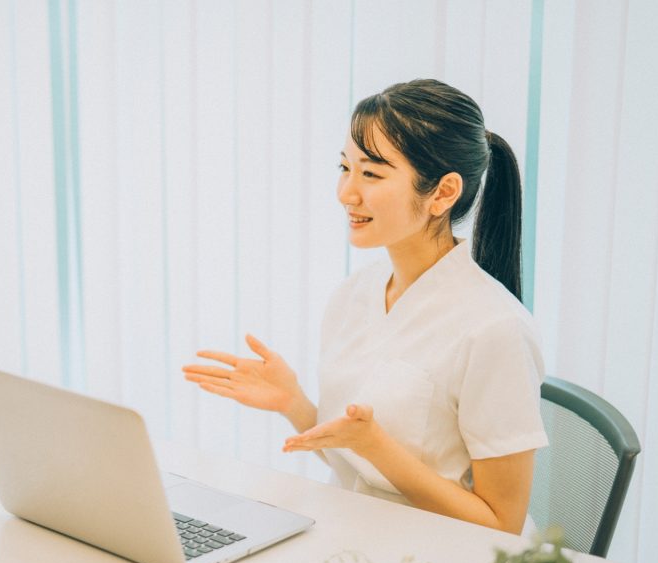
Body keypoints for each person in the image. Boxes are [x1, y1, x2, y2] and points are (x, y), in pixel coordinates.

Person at [183, 79, 547, 535]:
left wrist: (378, 447)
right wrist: (293, 403)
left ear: (442, 193)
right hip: (357, 532)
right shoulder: (356, 294)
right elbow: (353, 459)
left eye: (372, 173)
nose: (346, 193)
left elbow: (501, 525)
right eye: (345, 167)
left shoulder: (496, 328)